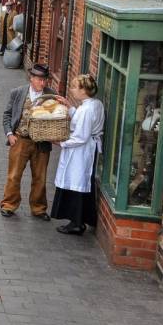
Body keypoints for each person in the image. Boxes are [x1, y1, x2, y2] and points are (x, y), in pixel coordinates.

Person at [0, 63, 57, 219]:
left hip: (42, 143)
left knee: (40, 177)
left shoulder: (51, 95)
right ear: (31, 78)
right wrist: (9, 134)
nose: (42, 83)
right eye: (39, 79)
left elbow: (57, 118)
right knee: (14, 175)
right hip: (20, 140)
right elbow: (7, 115)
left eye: (45, 80)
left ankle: (38, 208)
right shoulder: (18, 92)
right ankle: (8, 205)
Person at [50, 75, 104, 234]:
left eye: (74, 87)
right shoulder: (95, 104)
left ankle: (77, 222)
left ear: (83, 90)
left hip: (82, 151)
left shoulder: (87, 109)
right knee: (79, 182)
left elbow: (81, 136)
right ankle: (78, 220)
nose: (72, 90)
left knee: (77, 183)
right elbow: (81, 120)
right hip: (86, 149)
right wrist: (70, 107)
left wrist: (61, 143)